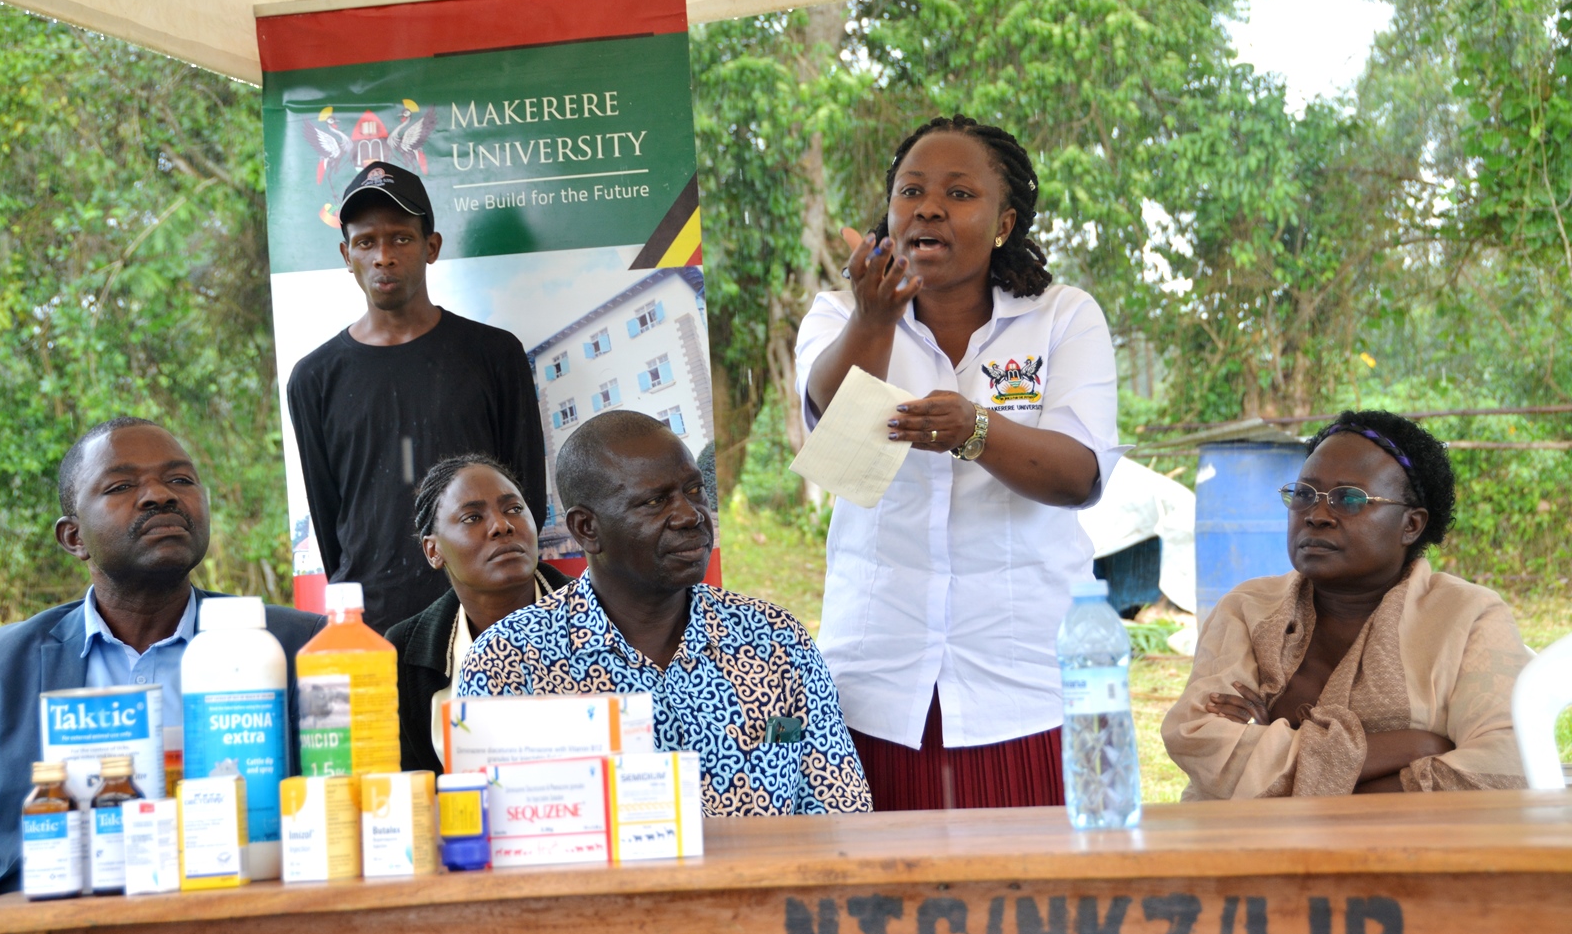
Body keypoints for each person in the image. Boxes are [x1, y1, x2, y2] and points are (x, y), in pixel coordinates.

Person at [793, 114, 1125, 810]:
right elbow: (836, 440)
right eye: (910, 191)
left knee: (1033, 906)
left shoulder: (1062, 317)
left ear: (1004, 223)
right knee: (885, 910)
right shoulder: (837, 315)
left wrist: (977, 430)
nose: (929, 207)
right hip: (877, 685)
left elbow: (1077, 475)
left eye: (959, 193)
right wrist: (876, 319)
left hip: (1026, 687)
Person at [0, 418, 324, 899]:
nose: (160, 495)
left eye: (180, 480)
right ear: (73, 537)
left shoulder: (298, 645)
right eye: (121, 486)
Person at [458, 411, 872, 816]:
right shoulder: (510, 660)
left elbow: (841, 814)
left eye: (694, 491)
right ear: (587, 528)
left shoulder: (776, 640)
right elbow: (494, 840)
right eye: (656, 501)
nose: (691, 516)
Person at [1162, 410, 1532, 798]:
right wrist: (1416, 747)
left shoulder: (1467, 617)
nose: (1317, 515)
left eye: (1349, 499)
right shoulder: (1246, 609)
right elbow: (1200, 742)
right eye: (1304, 494)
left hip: (1410, 854)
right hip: (1243, 852)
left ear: (1411, 525)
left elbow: (1502, 768)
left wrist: (1274, 749)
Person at [287, 161, 547, 633]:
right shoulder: (314, 378)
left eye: (400, 239)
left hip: (487, 619)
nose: (383, 256)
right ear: (347, 254)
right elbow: (330, 525)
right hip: (373, 625)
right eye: (366, 242)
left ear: (431, 247)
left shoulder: (493, 354)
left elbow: (525, 496)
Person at [385, 454, 571, 775]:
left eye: (514, 509)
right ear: (434, 550)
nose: (502, 525)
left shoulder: (602, 616)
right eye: (472, 517)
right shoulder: (404, 651)